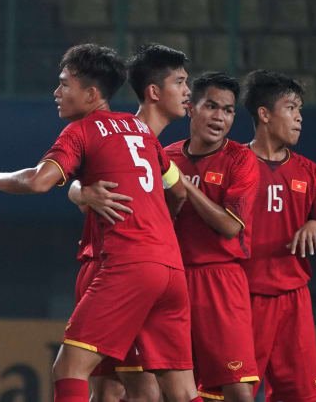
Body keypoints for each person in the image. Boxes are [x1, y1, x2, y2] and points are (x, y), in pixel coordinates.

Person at [0, 43, 201, 402]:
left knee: (69, 369)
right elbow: (178, 191)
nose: (56, 93)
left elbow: (39, 181)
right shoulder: (139, 130)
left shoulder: (82, 131)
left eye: (64, 84)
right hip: (170, 269)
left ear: (91, 94)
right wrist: (150, 216)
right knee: (181, 391)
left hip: (129, 265)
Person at [68, 43, 192, 402]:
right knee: (130, 389)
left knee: (124, 389)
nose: (188, 92)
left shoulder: (146, 141)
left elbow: (177, 192)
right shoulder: (129, 132)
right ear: (153, 91)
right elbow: (71, 180)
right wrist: (80, 192)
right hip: (113, 264)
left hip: (134, 266)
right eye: (180, 82)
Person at [240, 70, 316, 402]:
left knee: (302, 396)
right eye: (291, 108)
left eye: (300, 109)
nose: (300, 118)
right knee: (232, 393)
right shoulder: (233, 163)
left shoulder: (310, 172)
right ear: (264, 114)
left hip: (294, 298)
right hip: (243, 295)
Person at [164, 72, 260, 402]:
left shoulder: (241, 159)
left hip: (220, 280)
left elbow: (231, 226)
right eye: (211, 106)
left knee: (237, 389)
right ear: (190, 107)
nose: (220, 117)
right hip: (171, 278)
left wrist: (185, 186)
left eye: (228, 110)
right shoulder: (165, 157)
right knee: (170, 388)